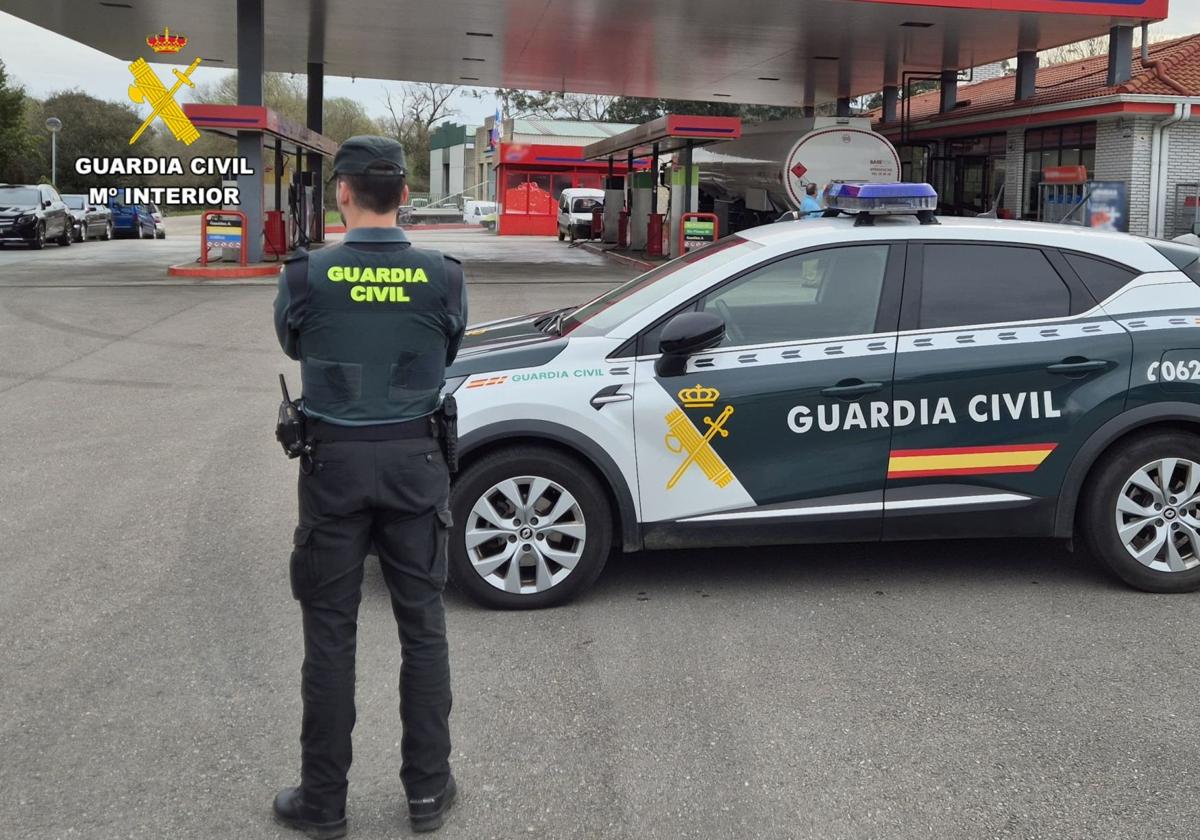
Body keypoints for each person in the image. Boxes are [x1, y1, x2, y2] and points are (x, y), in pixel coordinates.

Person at [272, 135, 467, 837]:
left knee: (330, 633)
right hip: (416, 464)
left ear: (343, 194)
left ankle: (323, 802)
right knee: (423, 627)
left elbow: (294, 344)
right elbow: (446, 347)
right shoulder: (444, 275)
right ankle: (427, 791)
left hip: (334, 468)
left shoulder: (304, 276)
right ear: (406, 197)